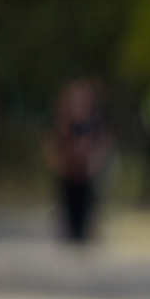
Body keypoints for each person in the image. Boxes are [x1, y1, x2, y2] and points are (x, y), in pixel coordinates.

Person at [46, 79, 111, 243]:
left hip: (86, 169)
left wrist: (95, 160)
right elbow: (54, 142)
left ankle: (82, 228)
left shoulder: (95, 121)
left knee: (86, 199)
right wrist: (58, 161)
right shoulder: (64, 119)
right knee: (68, 198)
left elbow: (103, 142)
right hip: (69, 168)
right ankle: (70, 227)